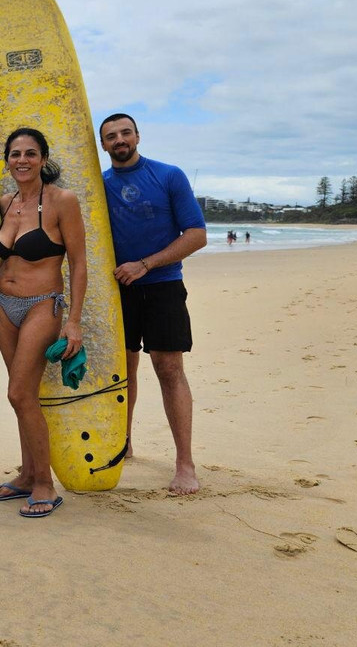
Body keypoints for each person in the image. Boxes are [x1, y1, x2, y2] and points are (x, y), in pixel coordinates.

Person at [99, 113, 207, 495]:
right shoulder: (99, 185)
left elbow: (196, 235)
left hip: (162, 285)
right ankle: (123, 442)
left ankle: (184, 464)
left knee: (168, 369)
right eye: (111, 136)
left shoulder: (168, 175)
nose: (119, 139)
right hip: (116, 291)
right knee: (122, 371)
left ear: (138, 136)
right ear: (103, 145)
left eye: (125, 132)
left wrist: (146, 264)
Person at [0, 129, 86, 518]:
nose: (22, 160)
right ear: (6, 160)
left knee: (18, 393)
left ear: (43, 158)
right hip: (3, 305)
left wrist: (73, 321)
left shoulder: (62, 201)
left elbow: (78, 263)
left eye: (30, 153)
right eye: (15, 154)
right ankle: (27, 475)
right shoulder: (5, 203)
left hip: (43, 304)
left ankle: (45, 483)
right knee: (21, 394)